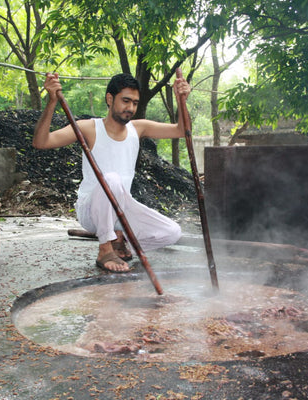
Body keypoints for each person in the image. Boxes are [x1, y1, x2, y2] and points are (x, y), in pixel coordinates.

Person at [33, 71, 191, 273]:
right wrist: (52, 101)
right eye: (126, 101)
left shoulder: (138, 128)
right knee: (112, 179)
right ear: (110, 98)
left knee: (172, 232)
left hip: (121, 210)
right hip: (91, 210)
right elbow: (41, 142)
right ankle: (105, 249)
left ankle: (121, 242)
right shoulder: (89, 128)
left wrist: (181, 100)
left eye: (134, 102)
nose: (131, 108)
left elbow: (181, 131)